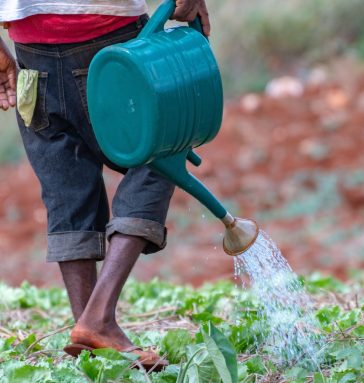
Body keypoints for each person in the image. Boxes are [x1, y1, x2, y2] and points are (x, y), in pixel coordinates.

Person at [0, 0, 210, 371]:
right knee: (161, 153)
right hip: (113, 40)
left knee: (66, 186)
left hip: (31, 54)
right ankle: (98, 319)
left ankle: (91, 334)